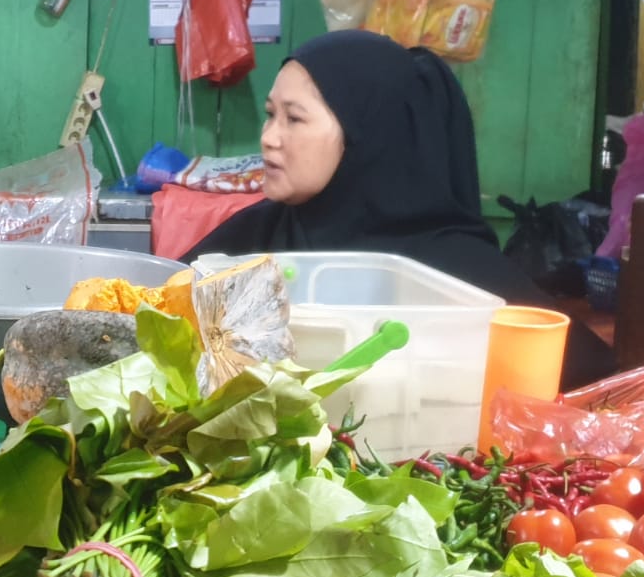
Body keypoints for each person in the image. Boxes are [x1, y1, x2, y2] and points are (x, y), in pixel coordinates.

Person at [187, 29, 616, 390]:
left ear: (365, 135)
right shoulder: (249, 243)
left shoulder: (458, 277)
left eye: (293, 119)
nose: (269, 137)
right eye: (270, 115)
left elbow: (594, 385)